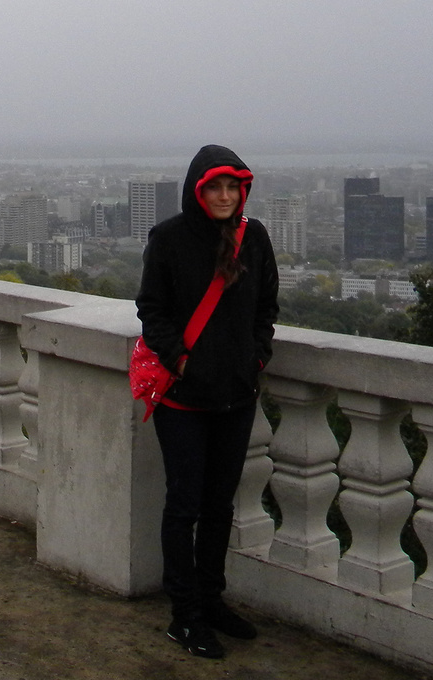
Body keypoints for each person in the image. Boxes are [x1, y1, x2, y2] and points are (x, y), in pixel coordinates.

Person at [135, 144, 279, 659]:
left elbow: (266, 307)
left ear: (243, 190)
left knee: (220, 505)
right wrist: (180, 362)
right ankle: (185, 614)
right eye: (214, 186)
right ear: (197, 190)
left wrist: (254, 359)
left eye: (232, 187)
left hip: (235, 397)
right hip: (184, 400)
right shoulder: (170, 238)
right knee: (185, 505)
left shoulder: (253, 237)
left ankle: (212, 600)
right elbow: (152, 310)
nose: (223, 196)